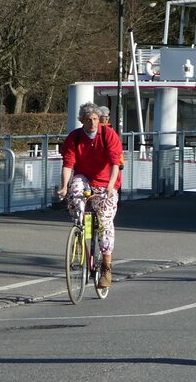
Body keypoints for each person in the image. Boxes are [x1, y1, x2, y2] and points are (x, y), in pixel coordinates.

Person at [56, 102, 122, 288]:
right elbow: (68, 164)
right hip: (84, 177)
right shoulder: (75, 137)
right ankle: (79, 234)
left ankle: (106, 266)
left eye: (94, 119)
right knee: (75, 194)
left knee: (105, 222)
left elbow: (115, 163)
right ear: (82, 121)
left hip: (106, 180)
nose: (92, 123)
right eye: (88, 120)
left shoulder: (108, 135)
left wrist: (110, 186)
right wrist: (64, 186)